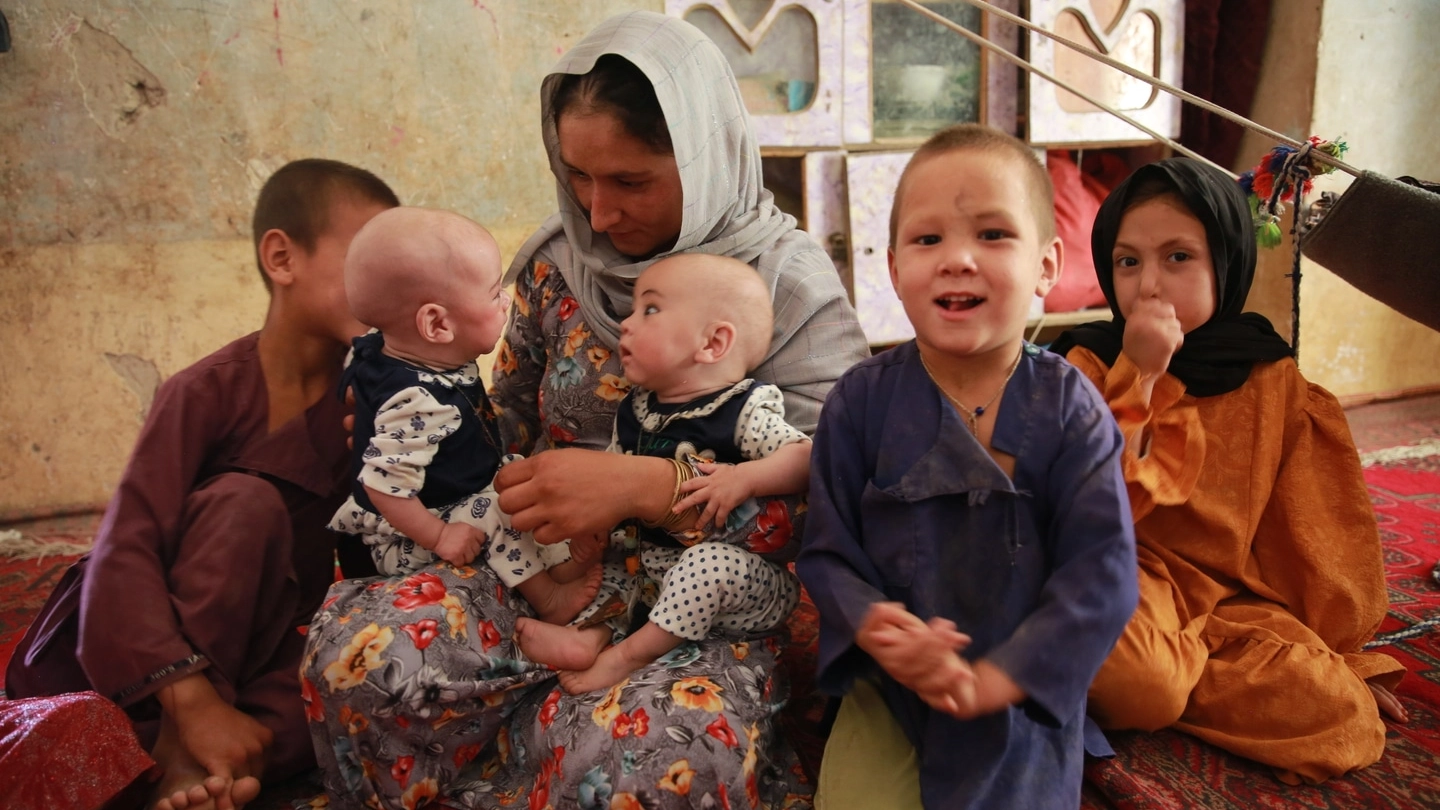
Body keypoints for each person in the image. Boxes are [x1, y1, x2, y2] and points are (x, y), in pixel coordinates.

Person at [300, 11, 869, 810]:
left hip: (691, 606)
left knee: (652, 764)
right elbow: (505, 423)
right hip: (541, 567)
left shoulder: (783, 288)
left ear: (703, 156)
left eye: (630, 181)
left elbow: (842, 498)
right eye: (578, 176)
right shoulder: (556, 264)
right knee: (367, 657)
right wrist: (421, 421)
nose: (597, 214)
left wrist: (646, 488)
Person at [5, 158, 399, 810]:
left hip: (266, 642)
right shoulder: (203, 392)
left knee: (361, 674)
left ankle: (213, 764)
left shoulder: (372, 396)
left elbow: (366, 564)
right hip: (144, 646)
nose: (389, 287)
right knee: (245, 505)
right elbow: (123, 554)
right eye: (368, 262)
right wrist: (187, 694)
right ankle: (186, 740)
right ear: (282, 257)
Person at [797, 124, 1140, 809]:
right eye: (928, 240)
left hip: (1018, 678)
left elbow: (1103, 572)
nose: (957, 259)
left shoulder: (1071, 408)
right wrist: (874, 627)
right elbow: (827, 551)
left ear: (1047, 265)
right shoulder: (860, 401)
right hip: (892, 683)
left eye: (992, 235)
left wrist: (1004, 678)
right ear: (893, 269)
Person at [1048, 156, 1407, 784]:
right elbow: (1083, 501)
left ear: (1228, 260)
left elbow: (1319, 532)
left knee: (1343, 719)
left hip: (1226, 606)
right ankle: (1136, 668)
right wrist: (1141, 375)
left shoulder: (1272, 378)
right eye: (1127, 261)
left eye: (1178, 257)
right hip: (1114, 574)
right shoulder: (1086, 363)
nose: (1148, 285)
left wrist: (1340, 656)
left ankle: (1151, 665)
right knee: (1139, 685)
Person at [515, 253, 810, 694]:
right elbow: (611, 482)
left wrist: (742, 479)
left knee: (705, 565)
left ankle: (627, 655)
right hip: (653, 573)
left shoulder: (743, 408)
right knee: (610, 567)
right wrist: (597, 522)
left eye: (649, 310)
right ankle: (590, 637)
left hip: (739, 586)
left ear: (712, 344)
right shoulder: (634, 411)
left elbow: (806, 457)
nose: (627, 324)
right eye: (632, 309)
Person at [327, 206, 600, 623]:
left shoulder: (384, 346)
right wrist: (440, 536)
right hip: (409, 531)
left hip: (448, 493)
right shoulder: (418, 401)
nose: (506, 300)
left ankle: (556, 565)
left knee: (518, 484)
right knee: (496, 510)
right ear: (436, 325)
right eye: (493, 293)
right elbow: (383, 487)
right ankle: (548, 598)